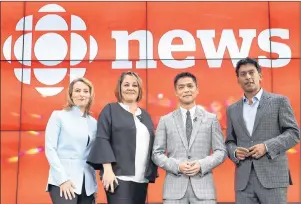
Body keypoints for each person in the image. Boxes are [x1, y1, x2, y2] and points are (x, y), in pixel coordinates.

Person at [225, 57, 300, 204]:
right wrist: (234, 152)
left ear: (260, 76)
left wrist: (266, 147)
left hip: (273, 178)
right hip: (243, 182)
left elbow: (294, 133)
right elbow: (229, 141)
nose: (248, 77)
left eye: (251, 72)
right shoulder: (232, 109)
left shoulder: (279, 101)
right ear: (238, 80)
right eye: (243, 74)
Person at [152, 72, 227, 204]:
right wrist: (177, 166)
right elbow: (156, 154)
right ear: (176, 92)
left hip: (204, 190)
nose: (186, 90)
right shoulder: (165, 120)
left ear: (197, 90)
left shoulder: (211, 119)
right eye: (181, 87)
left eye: (189, 86)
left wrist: (201, 164)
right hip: (174, 192)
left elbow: (221, 151)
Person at [87, 71, 158, 204]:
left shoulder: (145, 115)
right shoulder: (110, 110)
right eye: (126, 85)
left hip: (142, 179)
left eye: (134, 85)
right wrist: (107, 170)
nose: (130, 88)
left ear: (139, 89)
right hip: (118, 177)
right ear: (120, 88)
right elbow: (103, 139)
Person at [45, 77, 98, 204]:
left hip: (87, 184)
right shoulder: (59, 116)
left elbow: (93, 154)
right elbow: (50, 149)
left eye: (86, 91)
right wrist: (62, 179)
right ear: (71, 94)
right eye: (77, 90)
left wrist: (94, 187)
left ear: (90, 95)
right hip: (63, 180)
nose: (82, 94)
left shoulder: (94, 122)